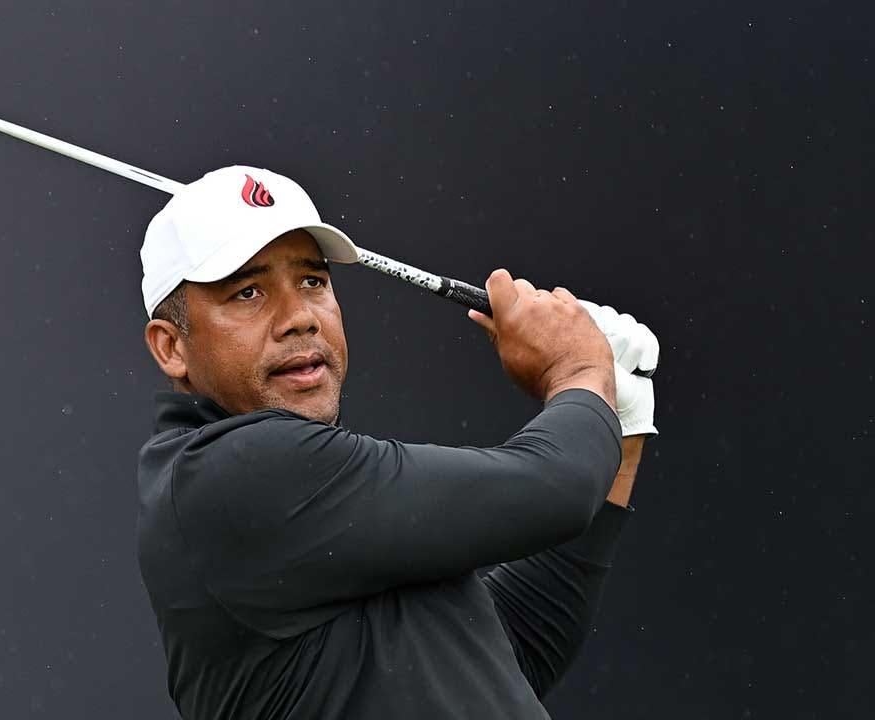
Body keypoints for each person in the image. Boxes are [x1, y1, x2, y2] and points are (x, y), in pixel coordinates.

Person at [135, 165, 659, 719]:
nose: (300, 318)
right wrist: (579, 370)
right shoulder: (229, 473)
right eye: (248, 292)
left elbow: (511, 651)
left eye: (313, 282)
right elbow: (556, 487)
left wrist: (618, 420)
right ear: (172, 347)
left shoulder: (305, 509)